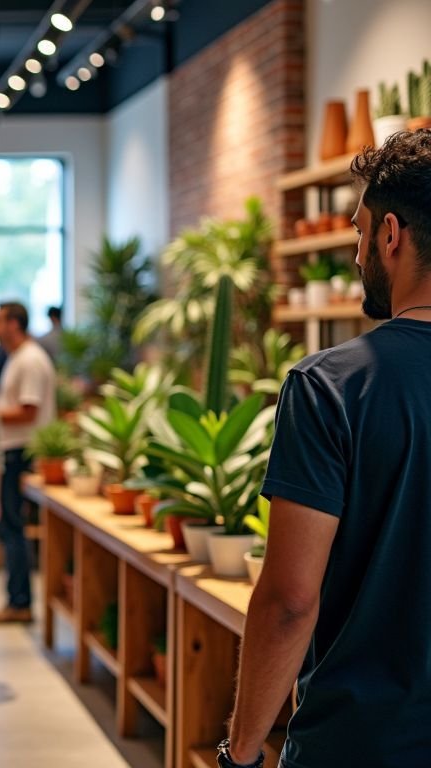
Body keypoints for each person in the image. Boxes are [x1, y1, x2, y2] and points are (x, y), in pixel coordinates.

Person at [222, 132, 431, 767]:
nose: (356, 250)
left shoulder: (330, 387)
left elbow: (289, 599)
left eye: (359, 231)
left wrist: (243, 752)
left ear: (390, 235)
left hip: (360, 745)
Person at [0, 301, 55, 625]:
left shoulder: (30, 360)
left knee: (12, 527)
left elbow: (29, 410)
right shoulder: (18, 359)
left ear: (14, 324)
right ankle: (17, 598)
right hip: (11, 450)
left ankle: (20, 601)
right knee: (9, 527)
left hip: (19, 452)